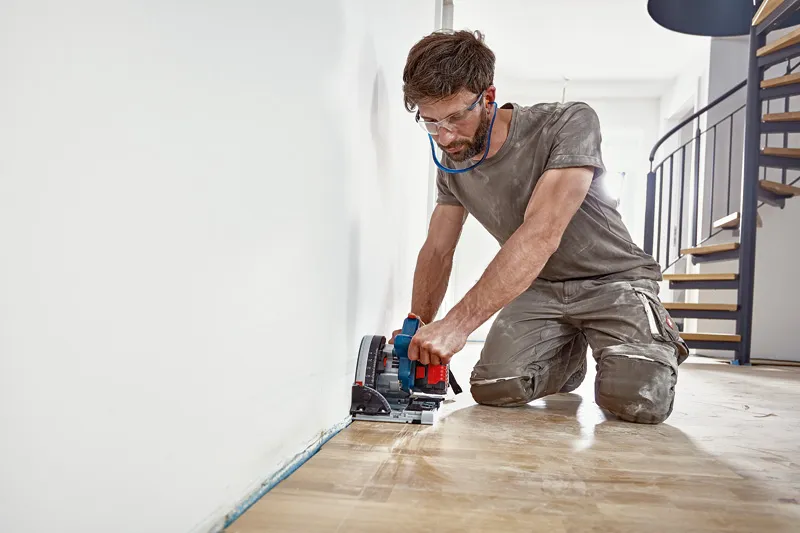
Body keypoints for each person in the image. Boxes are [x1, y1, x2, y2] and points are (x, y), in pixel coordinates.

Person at [394, 29, 688, 424]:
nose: (444, 135)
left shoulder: (566, 122)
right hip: (540, 289)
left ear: (488, 97)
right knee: (494, 388)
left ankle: (637, 339)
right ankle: (567, 356)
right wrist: (420, 327)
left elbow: (542, 231)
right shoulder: (453, 161)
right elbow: (437, 250)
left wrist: (458, 324)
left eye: (455, 117)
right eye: (430, 121)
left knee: (636, 399)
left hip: (612, 280)